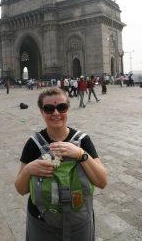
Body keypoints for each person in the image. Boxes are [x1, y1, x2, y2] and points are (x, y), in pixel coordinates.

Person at [15, 87, 107, 241]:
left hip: (78, 220)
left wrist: (80, 154)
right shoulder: (33, 144)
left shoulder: (82, 140)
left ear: (68, 109)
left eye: (62, 107)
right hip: (41, 222)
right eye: (49, 109)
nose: (56, 113)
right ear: (41, 111)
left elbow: (102, 182)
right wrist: (28, 170)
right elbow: (21, 189)